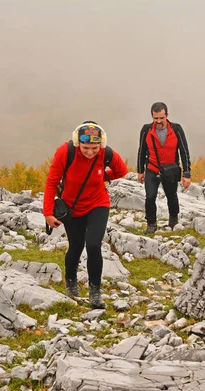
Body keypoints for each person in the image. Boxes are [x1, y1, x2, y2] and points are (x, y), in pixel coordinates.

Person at [44, 121, 128, 309]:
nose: (90, 152)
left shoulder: (106, 153)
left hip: (98, 203)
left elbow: (121, 170)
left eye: (94, 148)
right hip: (72, 206)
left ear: (101, 145)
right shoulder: (66, 152)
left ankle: (95, 293)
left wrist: (101, 177)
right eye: (86, 148)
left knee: (93, 244)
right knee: (75, 246)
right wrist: (48, 213)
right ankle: (71, 282)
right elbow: (51, 182)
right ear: (77, 143)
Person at [136, 102, 192, 234]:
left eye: (162, 118)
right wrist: (140, 171)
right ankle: (151, 224)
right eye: (156, 118)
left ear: (167, 115)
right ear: (152, 117)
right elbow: (141, 151)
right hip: (152, 168)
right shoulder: (146, 130)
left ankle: (173, 220)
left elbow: (184, 151)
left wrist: (187, 173)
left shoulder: (176, 129)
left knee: (171, 196)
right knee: (150, 197)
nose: (159, 121)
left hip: (171, 169)